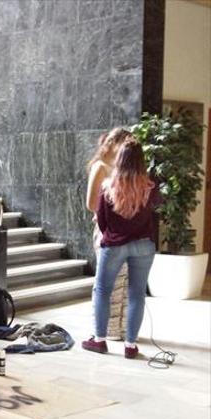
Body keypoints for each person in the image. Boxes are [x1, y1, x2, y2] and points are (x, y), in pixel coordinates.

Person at [82, 138, 161, 359]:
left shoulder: (108, 186)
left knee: (102, 291)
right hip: (144, 246)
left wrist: (112, 236)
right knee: (137, 295)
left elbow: (101, 219)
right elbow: (155, 213)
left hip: (114, 245)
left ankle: (99, 340)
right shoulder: (150, 187)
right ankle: (130, 345)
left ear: (120, 159)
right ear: (141, 161)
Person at [86, 128, 133, 341]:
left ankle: (122, 328)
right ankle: (108, 330)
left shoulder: (121, 168)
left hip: (124, 232)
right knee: (109, 281)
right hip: (106, 231)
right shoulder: (101, 167)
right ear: (113, 143)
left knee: (124, 281)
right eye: (123, 143)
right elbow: (91, 203)